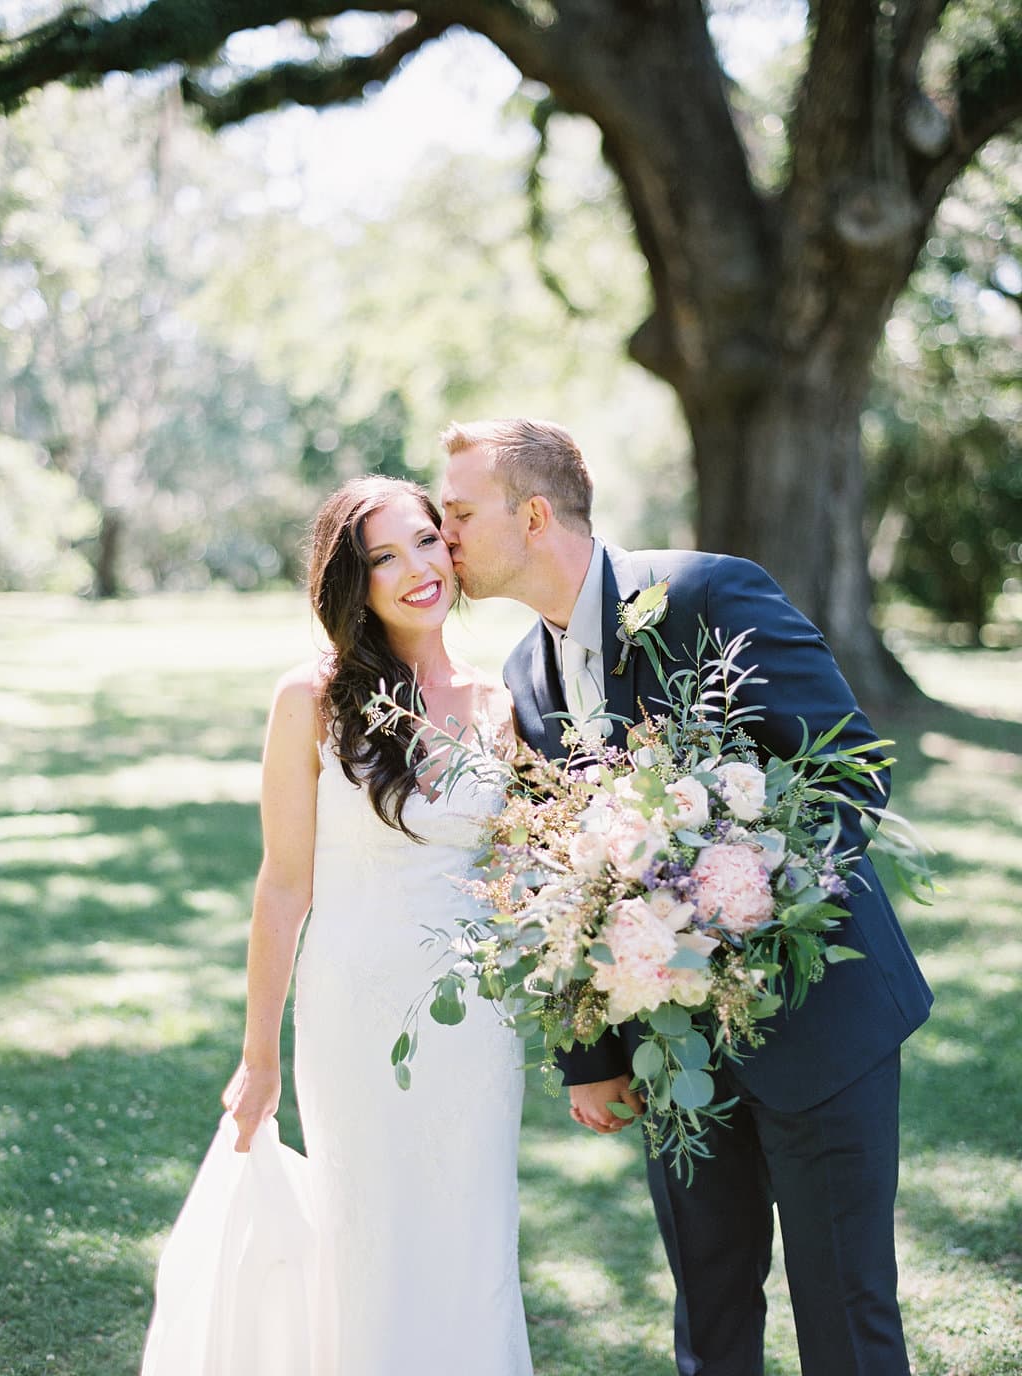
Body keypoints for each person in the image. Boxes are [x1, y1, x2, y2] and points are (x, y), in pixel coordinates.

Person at [438, 418, 933, 1376]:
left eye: (458, 515)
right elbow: (554, 879)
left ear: (533, 514)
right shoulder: (522, 678)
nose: (443, 536)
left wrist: (735, 901)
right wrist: (592, 1054)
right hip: (677, 1053)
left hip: (820, 1023)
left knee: (846, 1318)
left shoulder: (707, 594)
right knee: (709, 1319)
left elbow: (850, 770)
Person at [221, 474, 533, 1375]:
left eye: (427, 541)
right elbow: (283, 887)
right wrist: (259, 1056)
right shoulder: (310, 700)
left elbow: (514, 875)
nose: (416, 569)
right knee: (369, 1232)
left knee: (472, 1231)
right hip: (354, 1009)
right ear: (352, 584)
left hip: (475, 1017)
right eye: (383, 558)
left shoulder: (501, 705)